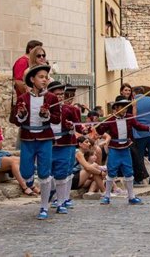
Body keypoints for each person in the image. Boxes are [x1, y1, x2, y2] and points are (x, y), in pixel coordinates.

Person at [10, 63, 61, 220]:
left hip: (45, 138)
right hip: (27, 138)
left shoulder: (51, 98)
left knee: (44, 173)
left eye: (46, 77)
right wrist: (21, 114)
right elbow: (15, 120)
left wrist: (47, 116)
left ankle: (44, 206)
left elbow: (57, 119)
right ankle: (34, 182)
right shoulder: (23, 98)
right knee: (25, 173)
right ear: (32, 79)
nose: (44, 80)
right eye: (41, 77)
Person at [96, 96, 150, 205]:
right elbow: (100, 130)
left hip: (125, 148)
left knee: (129, 172)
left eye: (126, 107)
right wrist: (98, 125)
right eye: (122, 107)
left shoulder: (129, 118)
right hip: (114, 148)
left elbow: (138, 126)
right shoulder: (110, 119)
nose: (124, 110)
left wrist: (149, 128)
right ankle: (107, 196)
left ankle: (131, 197)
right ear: (116, 108)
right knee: (111, 172)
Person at [48, 81, 81, 214]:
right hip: (49, 144)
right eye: (57, 94)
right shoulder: (45, 110)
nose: (60, 97)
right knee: (48, 172)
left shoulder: (71, 109)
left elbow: (78, 127)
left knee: (66, 171)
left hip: (67, 143)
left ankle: (63, 198)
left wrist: (71, 126)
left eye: (62, 94)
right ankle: (52, 194)